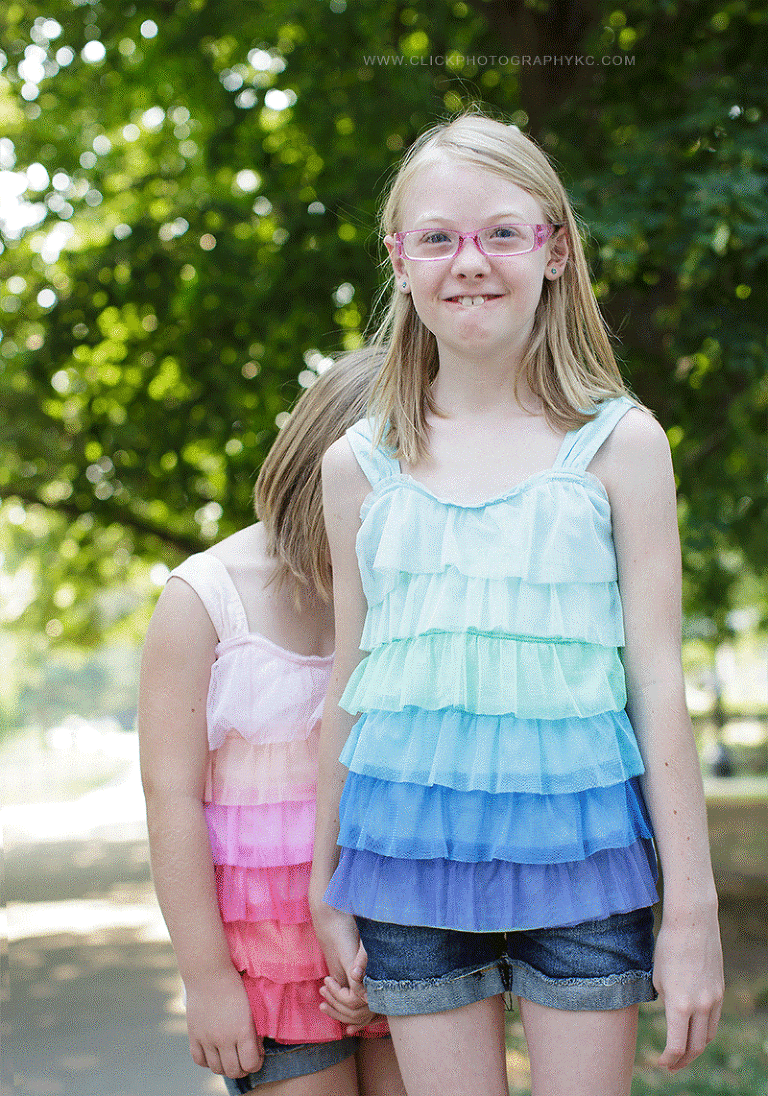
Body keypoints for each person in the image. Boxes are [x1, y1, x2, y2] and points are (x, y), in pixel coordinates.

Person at [309, 112, 724, 1096]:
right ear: (399, 261)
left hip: (586, 863)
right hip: (406, 864)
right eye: (438, 238)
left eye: (502, 231)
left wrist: (693, 911)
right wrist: (326, 879)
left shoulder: (622, 446)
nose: (471, 262)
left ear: (555, 249)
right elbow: (351, 681)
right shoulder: (356, 468)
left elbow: (656, 681)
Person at [139, 348, 405, 1096]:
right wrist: (206, 979)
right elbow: (171, 798)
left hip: (394, 942)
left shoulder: (403, 591)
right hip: (268, 963)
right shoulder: (205, 598)